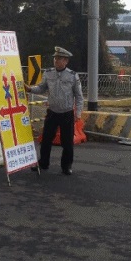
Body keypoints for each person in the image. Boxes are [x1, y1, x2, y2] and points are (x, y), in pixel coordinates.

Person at [24, 46, 84, 175]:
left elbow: (79, 97)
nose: (56, 61)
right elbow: (41, 88)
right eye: (55, 58)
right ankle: (43, 163)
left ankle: (66, 166)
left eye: (60, 59)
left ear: (66, 61)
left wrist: (78, 113)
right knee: (45, 139)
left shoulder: (73, 76)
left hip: (67, 113)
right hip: (52, 112)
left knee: (67, 142)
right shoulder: (48, 73)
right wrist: (30, 89)